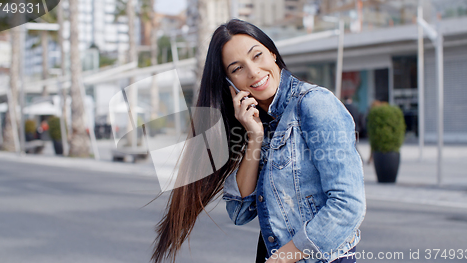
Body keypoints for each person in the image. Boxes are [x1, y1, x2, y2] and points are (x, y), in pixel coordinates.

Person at [151, 19, 366, 263]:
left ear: (272, 53)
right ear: (229, 84)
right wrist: (255, 137)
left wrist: (280, 259)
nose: (253, 72)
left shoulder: (314, 104)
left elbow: (348, 206)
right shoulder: (260, 122)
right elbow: (240, 212)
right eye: (237, 68)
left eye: (257, 56)